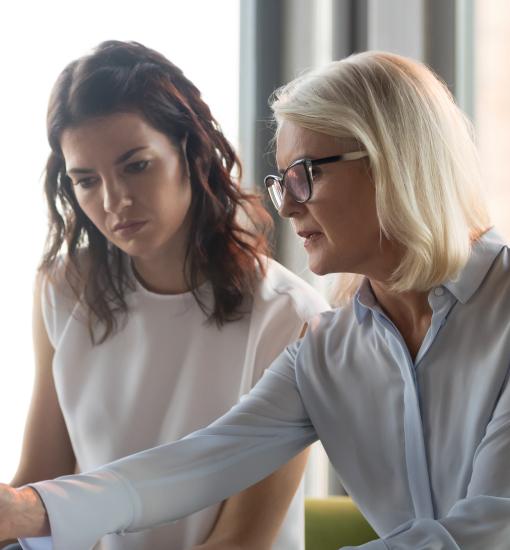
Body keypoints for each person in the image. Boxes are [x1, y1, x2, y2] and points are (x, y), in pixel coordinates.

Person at [1, 50, 508, 550]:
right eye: (281, 179)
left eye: (307, 172)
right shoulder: (329, 349)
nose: (285, 204)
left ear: (393, 161)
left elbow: (488, 530)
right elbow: (199, 463)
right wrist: (28, 510)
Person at [0, 41, 330, 550]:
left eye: (136, 166)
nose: (114, 202)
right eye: (86, 181)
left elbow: (241, 543)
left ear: (190, 150)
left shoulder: (289, 315)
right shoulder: (65, 288)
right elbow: (37, 487)